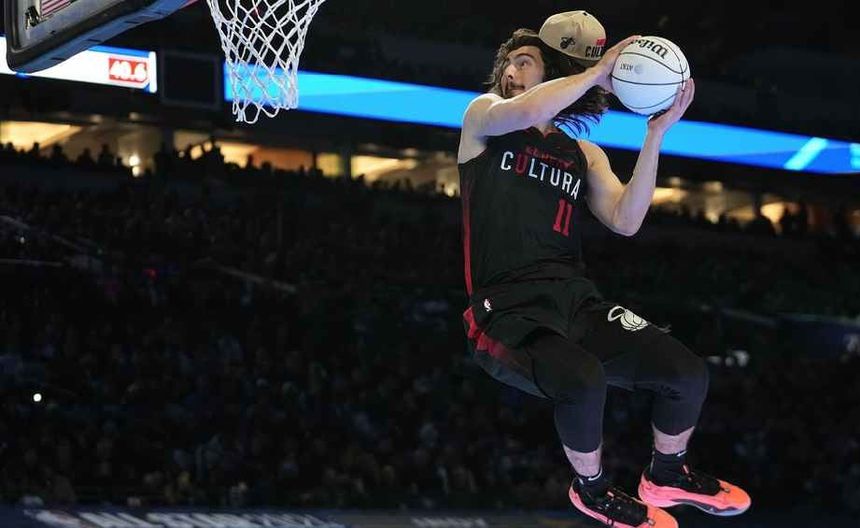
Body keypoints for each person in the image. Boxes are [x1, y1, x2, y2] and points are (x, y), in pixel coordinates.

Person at [457, 10, 749, 528]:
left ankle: (667, 473)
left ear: (552, 71)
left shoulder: (584, 154)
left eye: (525, 62)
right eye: (508, 63)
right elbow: (528, 109)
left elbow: (626, 220)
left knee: (685, 374)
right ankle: (591, 490)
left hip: (576, 301)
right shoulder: (484, 117)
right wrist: (596, 73)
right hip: (506, 311)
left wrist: (655, 136)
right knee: (585, 379)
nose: (510, 71)